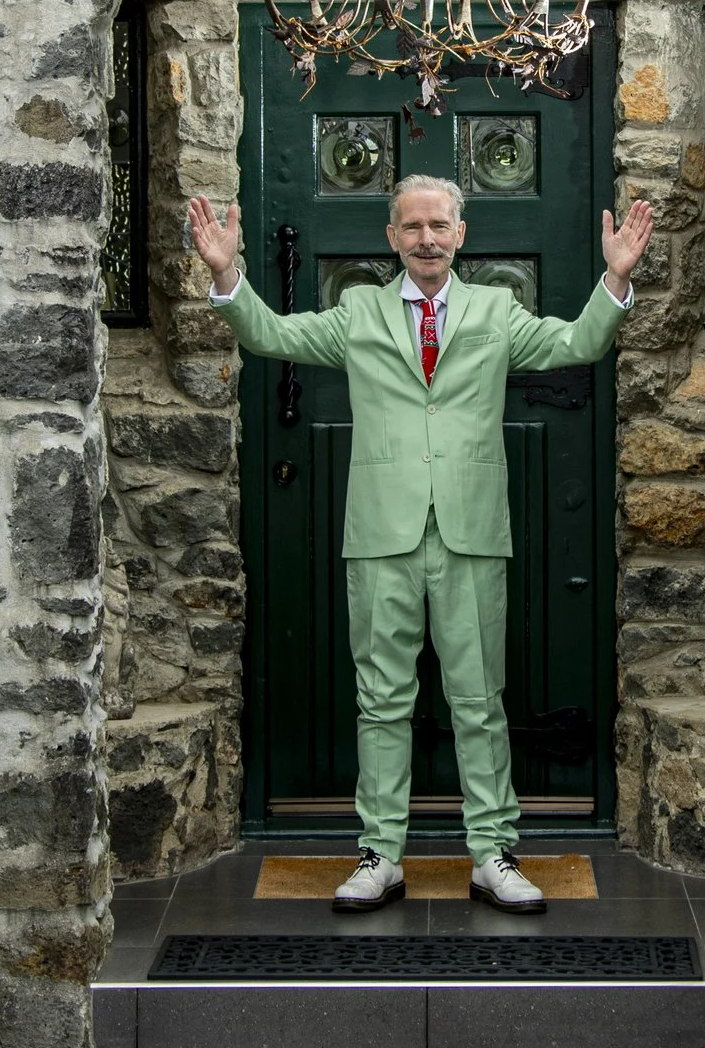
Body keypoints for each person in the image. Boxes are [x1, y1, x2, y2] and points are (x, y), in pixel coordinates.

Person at [187, 177, 654, 915]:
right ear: (392, 236)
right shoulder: (359, 311)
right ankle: (380, 855)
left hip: (470, 530)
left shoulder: (496, 310)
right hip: (381, 534)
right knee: (381, 701)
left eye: (439, 224)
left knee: (480, 700)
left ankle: (493, 854)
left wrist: (616, 275)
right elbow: (271, 334)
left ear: (461, 235)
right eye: (413, 226)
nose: (427, 237)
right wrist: (224, 271)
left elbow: (579, 341)